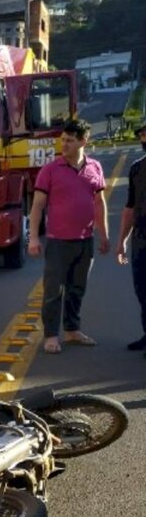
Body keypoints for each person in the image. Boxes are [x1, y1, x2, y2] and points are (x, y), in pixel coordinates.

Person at [28, 118, 109, 354]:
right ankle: (51, 336)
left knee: (77, 289)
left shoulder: (94, 167)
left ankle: (72, 330)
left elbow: (99, 203)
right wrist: (33, 237)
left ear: (84, 141)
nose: (64, 144)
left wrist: (103, 235)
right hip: (58, 242)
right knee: (54, 291)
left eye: (70, 141)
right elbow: (37, 206)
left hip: (85, 240)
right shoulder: (50, 170)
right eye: (63, 140)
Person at [115, 121, 146, 351]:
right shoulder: (137, 168)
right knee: (142, 290)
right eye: (142, 135)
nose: (144, 139)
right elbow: (129, 208)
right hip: (141, 240)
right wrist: (122, 241)